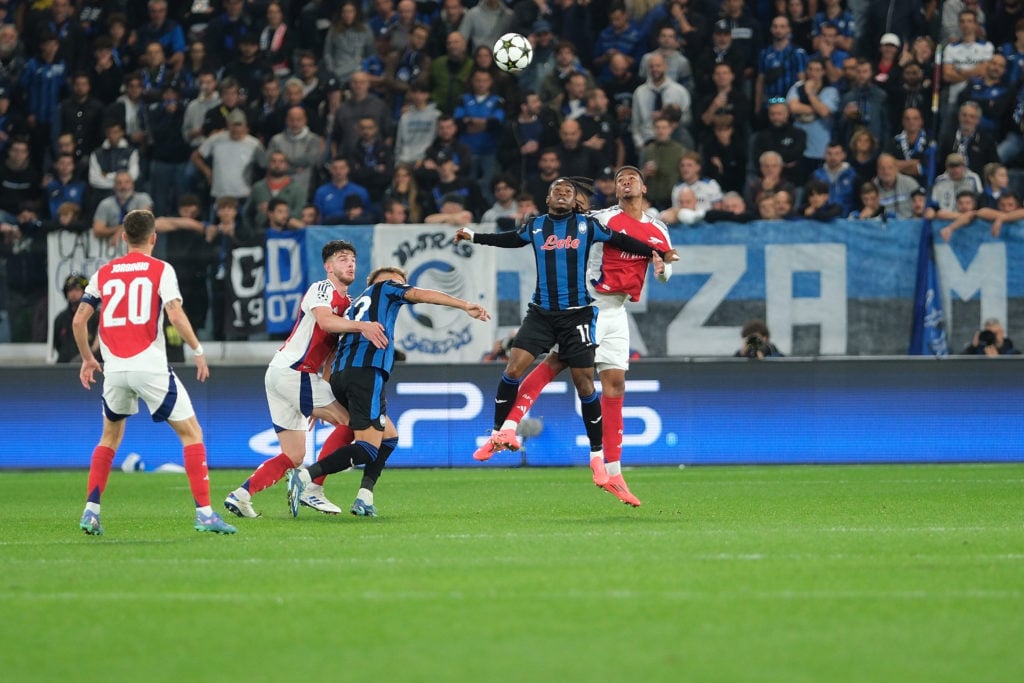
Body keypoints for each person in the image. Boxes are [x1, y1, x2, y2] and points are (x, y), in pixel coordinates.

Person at [454, 175, 679, 504]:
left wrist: (661, 266)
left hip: (618, 312)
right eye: (620, 179)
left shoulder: (658, 228)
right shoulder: (598, 218)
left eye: (633, 178)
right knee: (558, 364)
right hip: (590, 304)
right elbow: (543, 228)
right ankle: (506, 428)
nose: (626, 182)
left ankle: (613, 472)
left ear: (645, 187)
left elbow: (661, 265)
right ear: (615, 190)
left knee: (614, 385)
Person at [73, 209, 235, 536]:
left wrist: (89, 359)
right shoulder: (161, 269)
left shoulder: (104, 273)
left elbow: (79, 320)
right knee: (192, 434)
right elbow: (175, 313)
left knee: (109, 437)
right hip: (149, 364)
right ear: (154, 238)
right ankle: (204, 513)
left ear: (122, 236)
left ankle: (91, 512)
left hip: (115, 367)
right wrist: (198, 350)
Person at [286, 265, 492, 516]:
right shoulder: (385, 287)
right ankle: (306, 477)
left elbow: (332, 353)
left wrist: (327, 389)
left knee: (389, 436)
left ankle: (364, 497)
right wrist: (464, 305)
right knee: (368, 448)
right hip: (365, 373)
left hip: (343, 376)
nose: (401, 286)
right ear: (385, 282)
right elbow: (421, 294)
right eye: (399, 282)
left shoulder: (353, 308)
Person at [224, 240, 390, 519]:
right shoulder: (322, 289)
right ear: (328, 267)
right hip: (293, 371)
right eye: (341, 259)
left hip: (288, 376)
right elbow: (325, 322)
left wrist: (323, 393)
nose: (349, 263)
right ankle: (313, 485)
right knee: (358, 424)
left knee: (294, 455)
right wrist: (363, 326)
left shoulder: (349, 307)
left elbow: (331, 353)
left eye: (352, 259)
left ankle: (240, 496)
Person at [53, 273, 99, 363]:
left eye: (77, 290)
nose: (73, 294)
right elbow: (57, 345)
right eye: (70, 290)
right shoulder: (60, 319)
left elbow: (98, 346)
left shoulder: (97, 317)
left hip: (89, 365)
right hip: (63, 367)